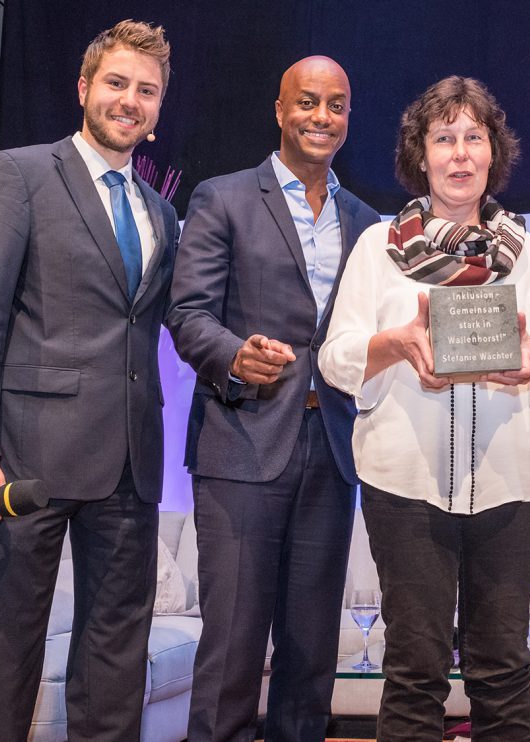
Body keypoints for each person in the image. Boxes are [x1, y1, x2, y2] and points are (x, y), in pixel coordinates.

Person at [0, 20, 177, 742]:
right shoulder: (20, 173)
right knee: (5, 655)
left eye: (146, 90)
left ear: (159, 108)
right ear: (83, 88)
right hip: (25, 460)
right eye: (116, 83)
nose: (129, 100)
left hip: (131, 464)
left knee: (115, 662)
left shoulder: (160, 211)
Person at [319, 76, 530, 741]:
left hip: (509, 487)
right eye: (443, 139)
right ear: (421, 154)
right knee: (414, 668)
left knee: (503, 669)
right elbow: (336, 356)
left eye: (473, 138)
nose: (459, 155)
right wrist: (396, 344)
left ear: (494, 152)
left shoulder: (526, 250)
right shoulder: (379, 248)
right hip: (404, 488)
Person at [166, 56, 380, 741]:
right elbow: (189, 313)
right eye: (308, 102)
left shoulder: (366, 221)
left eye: (337, 105)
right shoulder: (223, 198)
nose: (323, 117)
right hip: (242, 447)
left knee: (312, 652)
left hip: (331, 453)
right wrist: (234, 355)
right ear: (280, 109)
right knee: (231, 650)